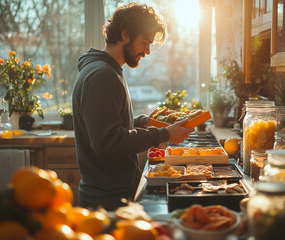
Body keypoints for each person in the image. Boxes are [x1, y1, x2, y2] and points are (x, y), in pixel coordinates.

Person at [72, 3, 194, 211]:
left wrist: (142, 122)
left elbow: (109, 126)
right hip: (108, 200)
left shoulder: (108, 70)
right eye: (145, 42)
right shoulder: (102, 75)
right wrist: (163, 134)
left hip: (114, 192)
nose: (147, 51)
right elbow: (107, 141)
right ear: (125, 33)